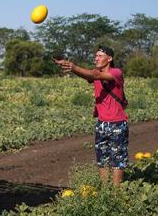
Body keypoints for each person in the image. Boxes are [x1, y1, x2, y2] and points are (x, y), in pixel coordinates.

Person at [53, 45, 129, 187]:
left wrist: (73, 66)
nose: (96, 58)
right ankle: (105, 190)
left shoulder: (116, 72)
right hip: (101, 123)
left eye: (100, 56)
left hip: (117, 123)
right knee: (102, 159)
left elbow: (96, 76)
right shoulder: (95, 73)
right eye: (96, 56)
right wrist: (71, 68)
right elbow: (88, 75)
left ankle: (116, 192)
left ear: (110, 59)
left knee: (117, 159)